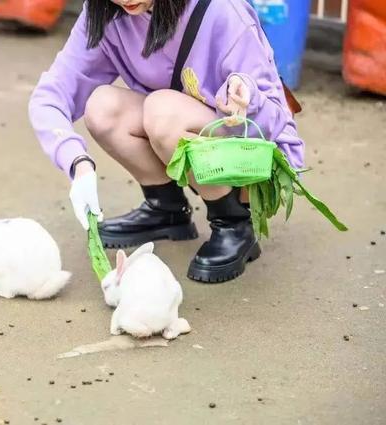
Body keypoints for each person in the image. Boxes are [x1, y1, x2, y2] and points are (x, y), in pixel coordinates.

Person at [28, 0, 305, 283]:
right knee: (102, 108)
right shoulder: (105, 11)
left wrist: (248, 100)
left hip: (250, 150)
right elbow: (52, 94)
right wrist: (78, 162)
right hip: (177, 126)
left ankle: (234, 222)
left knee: (162, 111)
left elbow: (274, 121)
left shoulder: (222, 9)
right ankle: (166, 209)